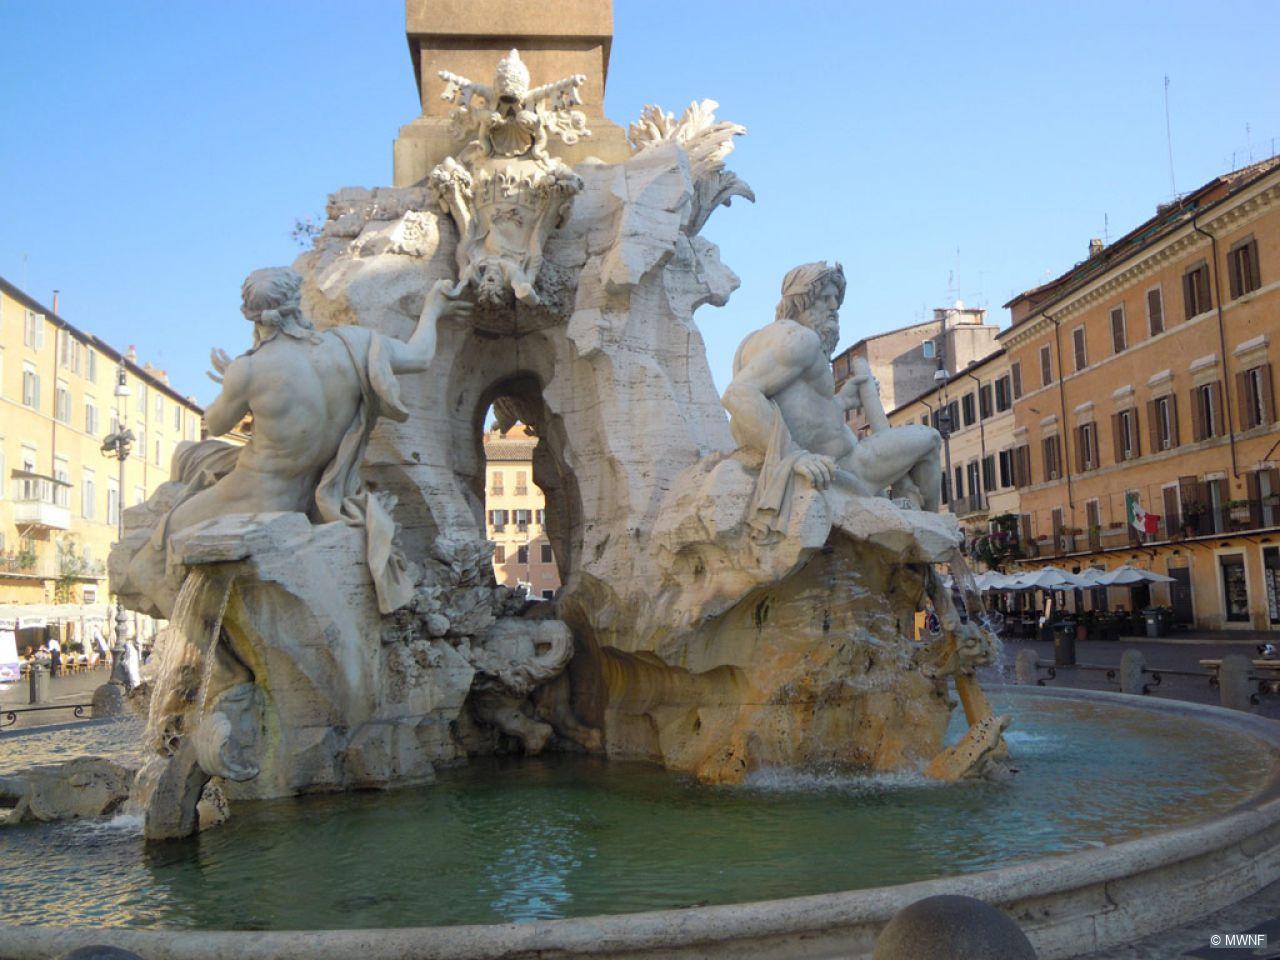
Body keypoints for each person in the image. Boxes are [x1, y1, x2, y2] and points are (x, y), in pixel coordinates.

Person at [722, 261, 943, 540]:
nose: (834, 307)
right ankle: (931, 528)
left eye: (836, 299)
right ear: (802, 301)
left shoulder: (756, 340)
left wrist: (842, 401)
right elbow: (738, 395)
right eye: (825, 298)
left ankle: (913, 511)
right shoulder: (802, 340)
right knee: (930, 439)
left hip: (832, 460)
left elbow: (796, 411)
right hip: (845, 466)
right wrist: (794, 456)